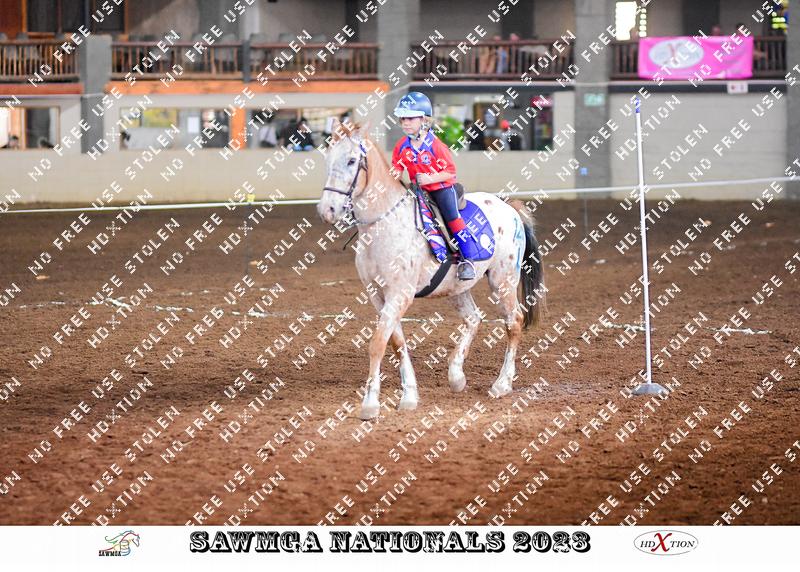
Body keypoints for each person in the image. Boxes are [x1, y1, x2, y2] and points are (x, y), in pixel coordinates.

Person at [391, 92, 481, 281]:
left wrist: (429, 178)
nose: (405, 123)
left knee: (452, 218)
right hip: (418, 191)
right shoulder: (401, 146)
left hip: (441, 190)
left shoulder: (436, 145)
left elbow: (450, 172)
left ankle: (468, 259)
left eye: (410, 118)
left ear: (423, 120)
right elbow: (396, 169)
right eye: (402, 119)